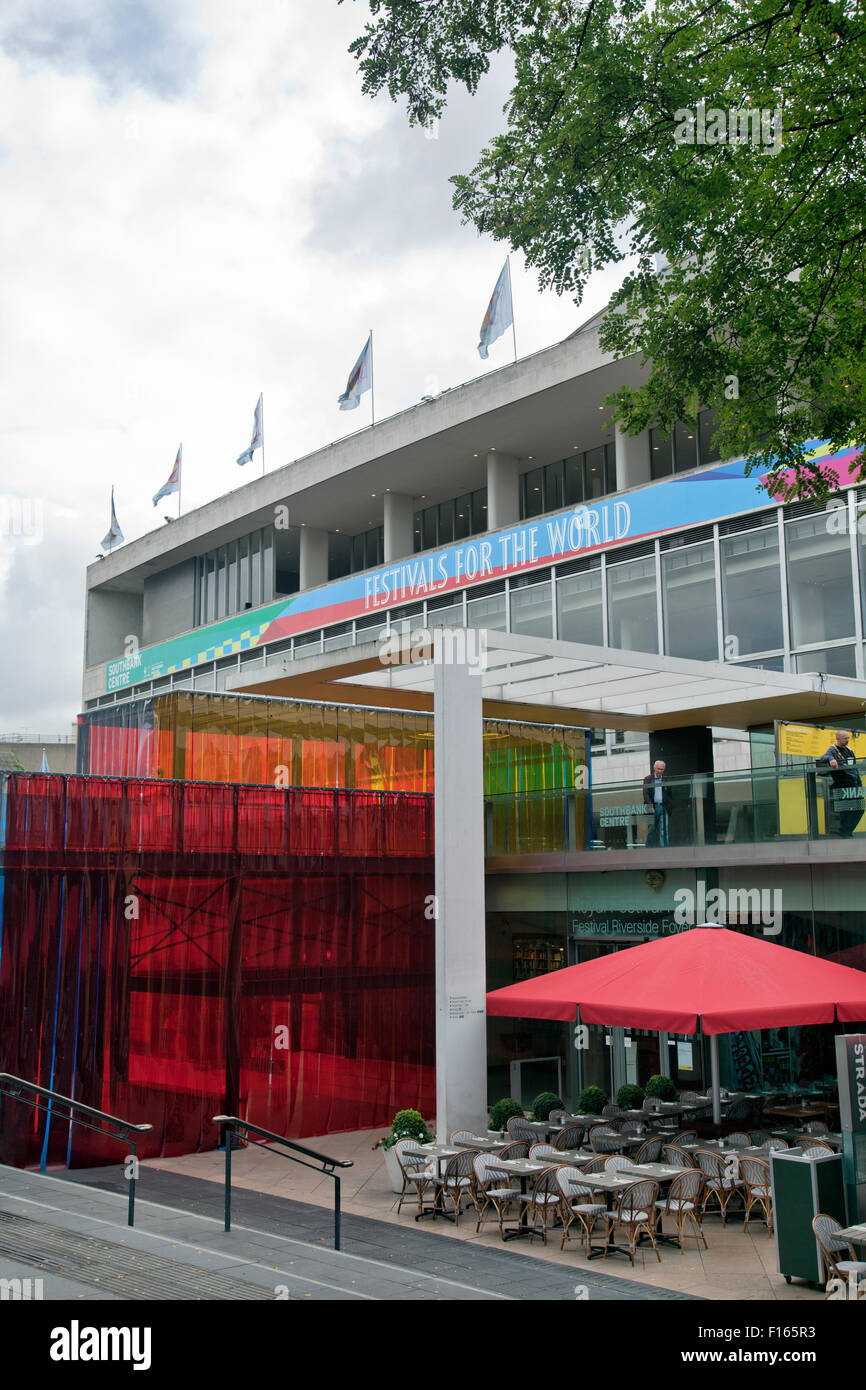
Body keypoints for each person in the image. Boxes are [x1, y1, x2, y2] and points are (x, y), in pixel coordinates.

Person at [816, 730, 864, 838]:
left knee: (860, 808)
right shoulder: (833, 749)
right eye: (845, 738)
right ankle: (844, 832)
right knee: (845, 809)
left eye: (848, 738)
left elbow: (854, 768)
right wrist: (831, 759)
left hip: (855, 784)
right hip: (843, 785)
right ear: (838, 739)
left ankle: (847, 830)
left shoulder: (849, 750)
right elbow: (824, 757)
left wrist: (859, 784)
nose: (847, 740)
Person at [643, 759, 673, 847]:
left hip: (663, 807)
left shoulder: (666, 779)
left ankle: (664, 848)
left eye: (662, 769)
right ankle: (649, 848)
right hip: (652, 807)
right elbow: (646, 794)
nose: (660, 771)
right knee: (651, 829)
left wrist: (669, 806)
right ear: (654, 768)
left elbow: (669, 794)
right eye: (659, 769)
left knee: (664, 829)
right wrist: (650, 806)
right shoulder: (648, 779)